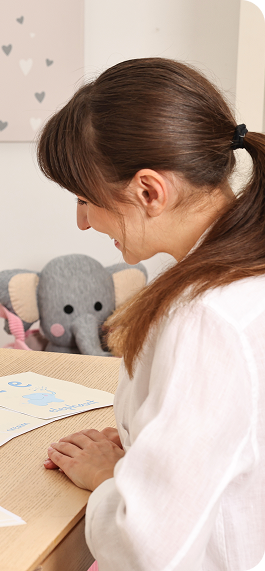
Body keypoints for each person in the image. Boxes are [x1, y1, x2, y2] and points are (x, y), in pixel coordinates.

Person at [37, 58, 265, 571]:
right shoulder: (242, 274)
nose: (81, 222)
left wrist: (111, 479)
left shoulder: (209, 318)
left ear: (148, 191)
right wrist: (148, 449)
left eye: (84, 199)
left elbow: (146, 545)